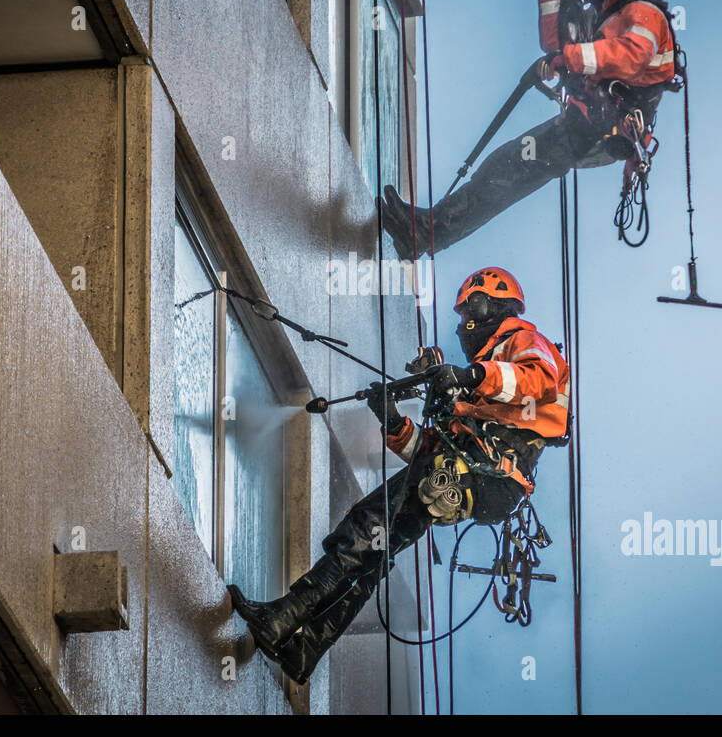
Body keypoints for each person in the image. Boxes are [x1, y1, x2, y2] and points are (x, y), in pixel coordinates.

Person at [228, 267, 569, 683]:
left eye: (469, 311)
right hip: (470, 476)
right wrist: (393, 423)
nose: (463, 323)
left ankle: (283, 617)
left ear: (493, 305)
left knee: (364, 529)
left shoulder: (522, 342)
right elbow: (428, 454)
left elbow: (539, 379)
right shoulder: (482, 397)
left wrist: (471, 376)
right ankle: (306, 647)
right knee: (376, 549)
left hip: (487, 473)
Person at [380, 0, 678, 260]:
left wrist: (572, 59)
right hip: (583, 125)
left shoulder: (643, 13)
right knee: (501, 167)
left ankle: (424, 234)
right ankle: (425, 231)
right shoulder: (602, 16)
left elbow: (632, 57)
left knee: (506, 173)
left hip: (603, 131)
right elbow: (554, 44)